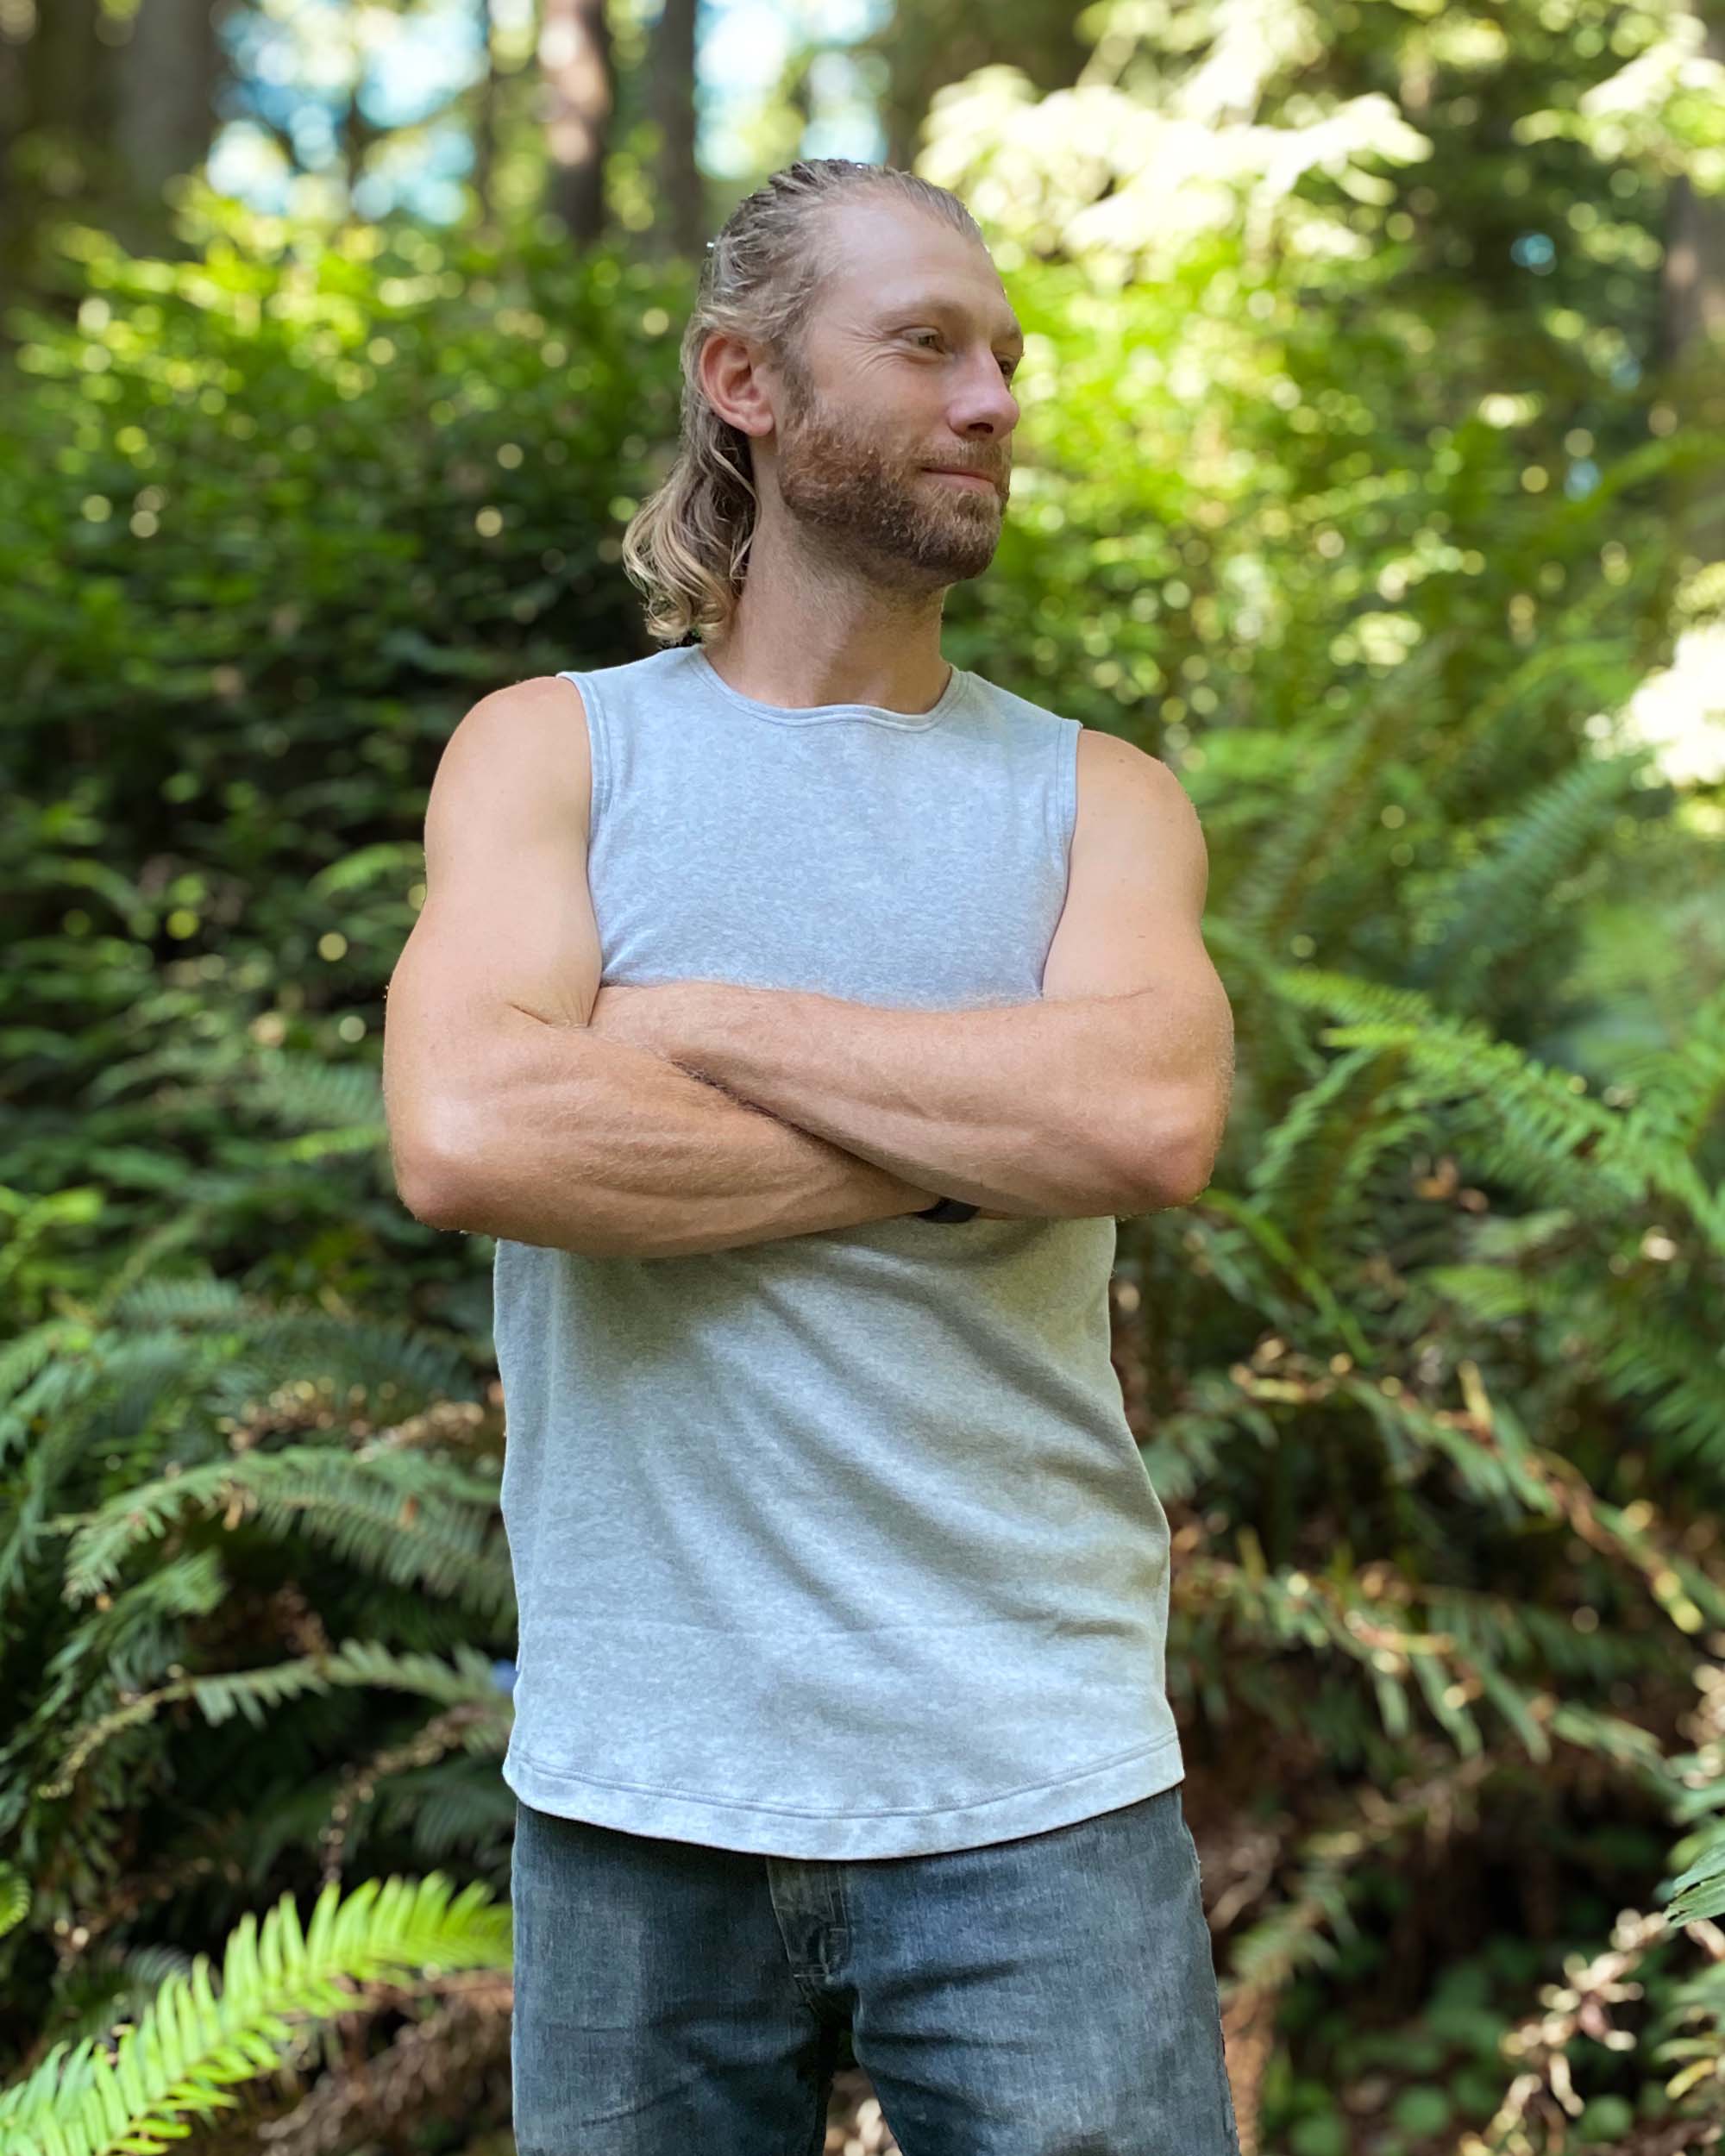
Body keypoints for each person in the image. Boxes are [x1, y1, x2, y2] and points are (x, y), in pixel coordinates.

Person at [382, 156, 1237, 2156]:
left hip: (1037, 1787)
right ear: (744, 379)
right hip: (636, 1796)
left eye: (1006, 354)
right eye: (926, 342)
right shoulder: (554, 753)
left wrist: (700, 1025)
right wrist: (971, 1138)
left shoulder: (1099, 800)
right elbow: (473, 1129)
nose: (996, 398)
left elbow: (1143, 1120)